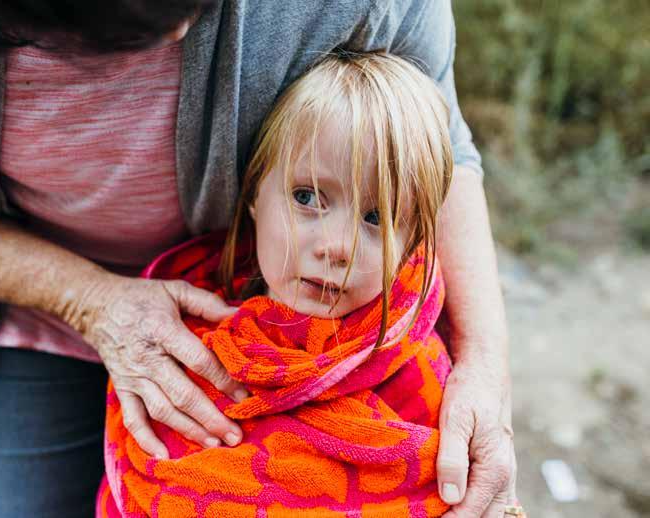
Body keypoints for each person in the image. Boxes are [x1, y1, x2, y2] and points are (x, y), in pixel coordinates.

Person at [0, 1, 516, 518]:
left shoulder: (392, 346)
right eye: (308, 198)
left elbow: (440, 144)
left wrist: (484, 366)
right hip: (29, 323)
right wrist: (90, 301)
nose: (185, 26)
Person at [99, 51, 462, 517]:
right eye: (307, 197)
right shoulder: (174, 338)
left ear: (411, 244)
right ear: (253, 193)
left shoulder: (417, 369)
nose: (336, 246)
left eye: (377, 218)